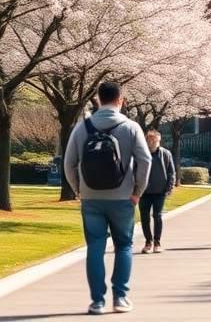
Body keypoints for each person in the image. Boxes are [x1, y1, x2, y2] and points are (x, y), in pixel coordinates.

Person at [63, 82, 152, 316]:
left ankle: (97, 302)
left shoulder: (82, 127)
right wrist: (137, 192)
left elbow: (68, 163)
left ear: (98, 100)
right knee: (124, 245)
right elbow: (145, 160)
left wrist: (79, 189)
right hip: (123, 197)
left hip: (91, 198)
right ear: (120, 100)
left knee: (95, 247)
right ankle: (120, 298)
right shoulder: (131, 127)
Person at [139, 129, 176, 254]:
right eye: (149, 140)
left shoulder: (166, 154)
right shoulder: (141, 154)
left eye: (154, 139)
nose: (151, 142)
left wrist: (169, 187)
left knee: (157, 215)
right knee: (144, 216)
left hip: (160, 191)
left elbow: (171, 172)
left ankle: (157, 242)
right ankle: (148, 241)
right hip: (144, 191)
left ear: (159, 140)